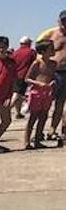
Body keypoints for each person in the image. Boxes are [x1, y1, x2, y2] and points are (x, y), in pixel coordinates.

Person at [24, 40, 58, 149]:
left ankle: (38, 139)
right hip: (36, 92)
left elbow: (52, 76)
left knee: (44, 116)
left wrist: (53, 82)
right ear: (43, 51)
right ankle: (27, 141)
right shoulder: (37, 63)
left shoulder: (53, 64)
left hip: (47, 92)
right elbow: (27, 78)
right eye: (50, 49)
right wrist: (38, 83)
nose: (53, 51)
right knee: (33, 117)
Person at [11, 36, 37, 118]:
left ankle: (18, 113)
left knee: (19, 94)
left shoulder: (15, 52)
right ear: (28, 43)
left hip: (14, 75)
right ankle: (7, 109)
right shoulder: (31, 52)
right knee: (17, 94)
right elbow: (35, 63)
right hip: (24, 75)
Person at [50, 12, 66, 142]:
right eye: (63, 20)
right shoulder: (54, 35)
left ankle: (64, 130)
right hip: (57, 73)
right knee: (58, 104)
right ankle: (52, 129)